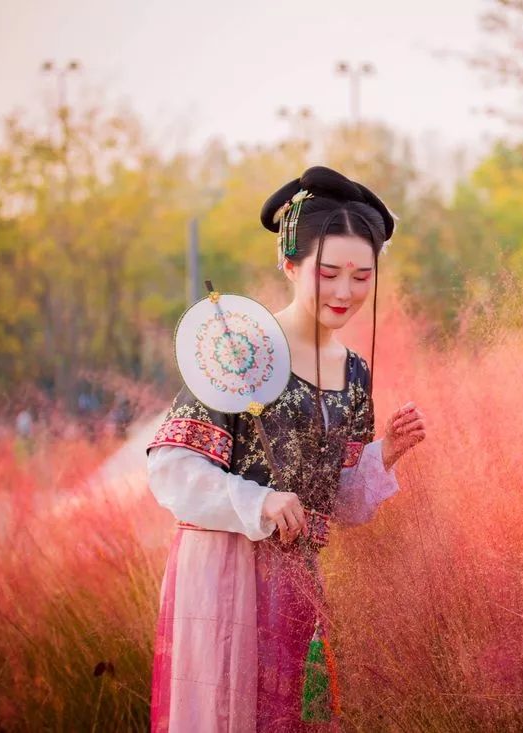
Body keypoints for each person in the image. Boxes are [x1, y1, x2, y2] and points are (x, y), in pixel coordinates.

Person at [145, 166, 426, 731]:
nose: (345, 292)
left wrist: (382, 455)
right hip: (225, 569)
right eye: (327, 273)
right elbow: (173, 468)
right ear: (290, 264)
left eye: (362, 276)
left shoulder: (354, 372)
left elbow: (333, 503)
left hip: (296, 576)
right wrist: (259, 501)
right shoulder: (243, 346)